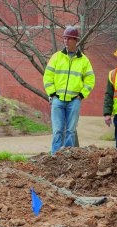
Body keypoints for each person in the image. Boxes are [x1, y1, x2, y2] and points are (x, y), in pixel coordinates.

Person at [43, 26, 95, 155]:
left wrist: (81, 95)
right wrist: (52, 94)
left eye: (69, 39)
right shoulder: (56, 57)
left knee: (71, 131)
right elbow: (47, 77)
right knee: (57, 130)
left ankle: (68, 156)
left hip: (74, 101)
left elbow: (90, 80)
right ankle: (54, 156)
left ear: (75, 40)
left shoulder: (84, 60)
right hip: (57, 100)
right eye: (64, 38)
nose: (66, 41)